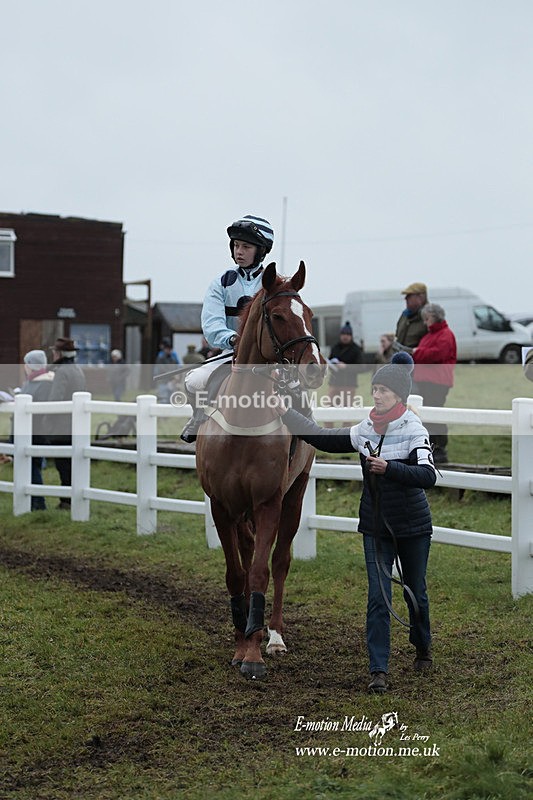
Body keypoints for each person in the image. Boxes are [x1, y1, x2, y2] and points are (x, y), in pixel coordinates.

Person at [273, 353, 436, 693]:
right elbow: (322, 437)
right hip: (375, 526)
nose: (377, 395)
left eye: (384, 391)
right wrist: (285, 414)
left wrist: (390, 468)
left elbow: (428, 475)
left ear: (399, 397)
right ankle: (378, 671)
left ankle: (422, 647)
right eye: (375, 389)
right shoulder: (365, 428)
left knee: (415, 593)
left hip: (412, 527)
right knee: (378, 596)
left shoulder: (413, 429)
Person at [180, 214, 275, 443]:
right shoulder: (221, 282)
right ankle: (198, 417)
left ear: (261, 250)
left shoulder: (274, 282)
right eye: (235, 245)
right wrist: (233, 340)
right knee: (193, 381)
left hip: (270, 358)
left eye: (245, 246)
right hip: (231, 353)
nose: (238, 251)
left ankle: (304, 432)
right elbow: (211, 324)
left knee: (296, 386)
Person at [412, 303, 457, 464]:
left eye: (427, 318)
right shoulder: (430, 335)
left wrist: (417, 353)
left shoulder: (445, 334)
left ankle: (439, 449)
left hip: (437, 382)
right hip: (426, 381)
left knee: (435, 414)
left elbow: (437, 355)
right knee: (427, 416)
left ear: (435, 316)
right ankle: (430, 448)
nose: (425, 322)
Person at [45, 337, 86, 510]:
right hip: (76, 425)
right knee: (72, 464)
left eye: (55, 351)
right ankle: (71, 498)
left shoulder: (62, 372)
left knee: (63, 465)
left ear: (60, 353)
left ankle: (67, 500)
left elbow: (55, 399)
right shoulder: (78, 370)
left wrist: (47, 419)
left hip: (62, 426)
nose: (53, 354)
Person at [19, 350, 55, 511]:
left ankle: (38, 503)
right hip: (27, 429)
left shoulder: (45, 383)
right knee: (29, 467)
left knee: (33, 466)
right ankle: (33, 502)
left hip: (35, 430)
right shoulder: (30, 382)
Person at [325, 321, 363, 426]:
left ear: (351, 336)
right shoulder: (335, 347)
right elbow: (330, 360)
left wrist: (346, 367)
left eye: (347, 335)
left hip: (349, 385)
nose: (345, 337)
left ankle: (345, 436)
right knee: (328, 410)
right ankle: (327, 433)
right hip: (334, 384)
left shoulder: (356, 349)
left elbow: (361, 367)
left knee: (347, 414)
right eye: (343, 334)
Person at [395, 282, 429, 350]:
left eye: (409, 296)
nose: (405, 298)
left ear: (421, 297)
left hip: (417, 358)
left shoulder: (430, 317)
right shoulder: (404, 315)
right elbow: (397, 336)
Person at [154, 337, 180, 404]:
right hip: (163, 382)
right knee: (163, 400)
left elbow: (177, 368)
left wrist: (176, 377)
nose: (169, 350)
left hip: (171, 382)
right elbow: (161, 369)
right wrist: (173, 376)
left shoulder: (173, 359)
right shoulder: (160, 358)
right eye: (167, 349)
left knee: (171, 400)